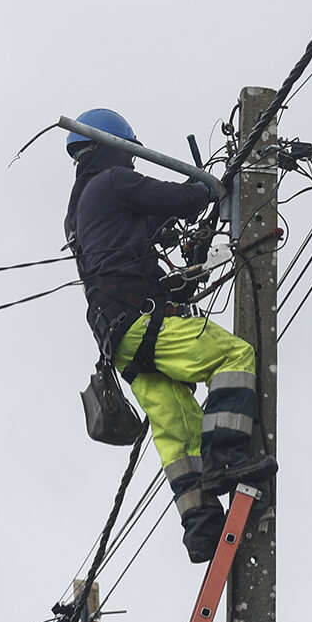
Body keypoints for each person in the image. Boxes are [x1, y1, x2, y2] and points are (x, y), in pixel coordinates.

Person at [63, 108, 278, 563]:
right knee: (233, 356)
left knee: (176, 429)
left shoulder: (84, 209)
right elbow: (179, 200)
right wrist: (210, 187)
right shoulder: (112, 183)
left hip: (119, 342)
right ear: (115, 147)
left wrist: (192, 249)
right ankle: (225, 459)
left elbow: (149, 235)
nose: (135, 163)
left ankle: (200, 526)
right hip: (141, 321)